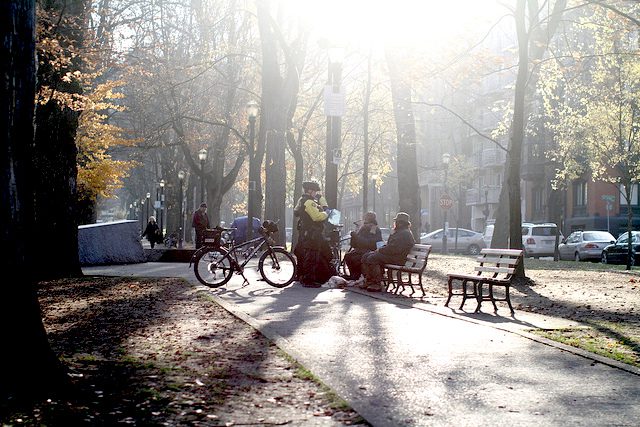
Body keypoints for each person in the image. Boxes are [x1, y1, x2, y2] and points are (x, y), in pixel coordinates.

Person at [293, 181, 336, 287]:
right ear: (310, 191)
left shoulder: (302, 200)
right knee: (312, 256)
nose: (315, 193)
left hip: (306, 232)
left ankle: (302, 276)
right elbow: (316, 217)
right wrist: (326, 213)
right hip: (313, 233)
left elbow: (296, 212)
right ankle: (309, 280)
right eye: (314, 191)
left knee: (306, 254)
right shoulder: (309, 202)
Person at [360, 212, 415, 292]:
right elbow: (390, 246)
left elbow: (395, 249)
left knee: (373, 258)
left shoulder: (404, 233)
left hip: (397, 258)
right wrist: (381, 249)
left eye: (397, 221)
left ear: (401, 223)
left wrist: (380, 250)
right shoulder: (398, 232)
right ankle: (369, 280)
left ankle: (377, 283)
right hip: (392, 256)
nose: (395, 223)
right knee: (366, 256)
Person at [343, 212, 383, 281]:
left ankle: (358, 275)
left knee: (356, 258)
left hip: (369, 250)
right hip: (360, 250)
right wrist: (354, 237)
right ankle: (353, 274)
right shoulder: (362, 228)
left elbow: (370, 243)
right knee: (348, 256)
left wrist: (357, 237)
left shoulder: (374, 229)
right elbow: (354, 243)